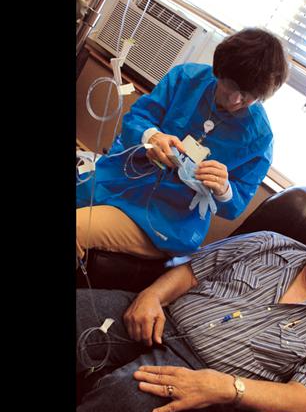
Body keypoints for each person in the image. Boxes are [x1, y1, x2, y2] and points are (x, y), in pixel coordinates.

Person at [76, 209, 306, 412]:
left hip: (200, 374)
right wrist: (151, 296)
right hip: (163, 315)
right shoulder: (268, 243)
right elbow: (190, 271)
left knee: (124, 398)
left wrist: (225, 387)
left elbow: (302, 400)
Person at [76, 28, 289, 260]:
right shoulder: (185, 78)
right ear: (219, 70)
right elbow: (136, 119)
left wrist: (224, 189)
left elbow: (234, 207)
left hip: (165, 219)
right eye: (230, 85)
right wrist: (151, 137)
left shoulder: (259, 138)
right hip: (119, 177)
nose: (235, 100)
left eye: (249, 95)